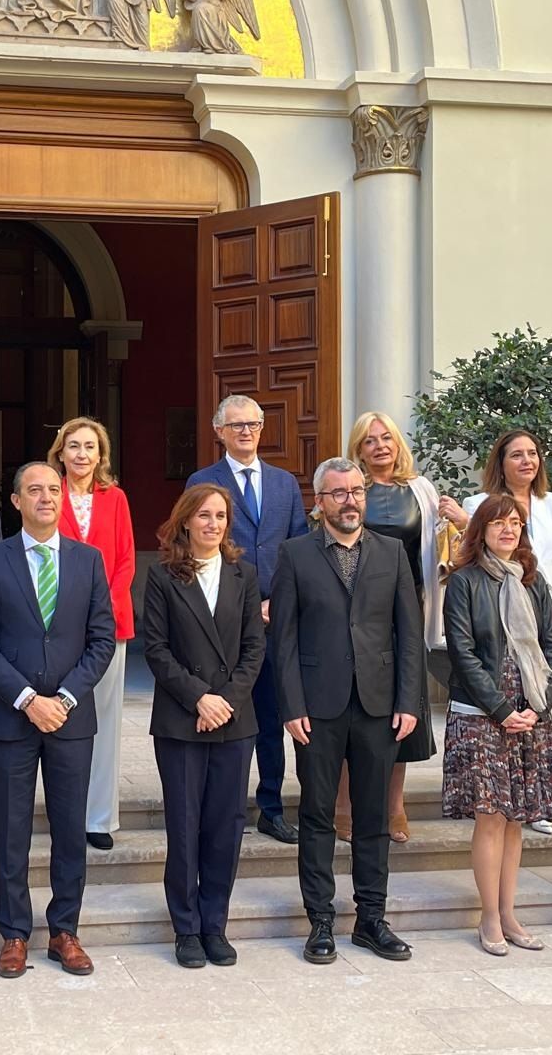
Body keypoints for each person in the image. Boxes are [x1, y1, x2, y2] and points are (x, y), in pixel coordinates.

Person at [270, 457, 424, 966]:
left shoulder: (393, 552)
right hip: (317, 706)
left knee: (374, 817)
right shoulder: (294, 554)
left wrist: (408, 701)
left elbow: (408, 634)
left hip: (380, 705)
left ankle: (371, 921)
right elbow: (284, 639)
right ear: (320, 502)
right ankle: (319, 923)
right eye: (338, 493)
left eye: (356, 491)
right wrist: (291, 705)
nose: (350, 500)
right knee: (316, 815)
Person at [0, 461, 115, 979]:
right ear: (16, 501)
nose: (47, 497)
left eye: (54, 489)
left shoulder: (89, 560)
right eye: (35, 490)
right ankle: (13, 934)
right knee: (11, 830)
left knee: (70, 829)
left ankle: (64, 931)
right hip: (12, 719)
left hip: (71, 721)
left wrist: (67, 698)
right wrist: (29, 698)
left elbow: (102, 640)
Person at [139, 484, 264, 969]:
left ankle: (216, 924)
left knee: (226, 825)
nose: (213, 524)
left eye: (221, 516)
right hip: (181, 720)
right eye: (205, 515)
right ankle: (186, 927)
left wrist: (225, 701)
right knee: (185, 824)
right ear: (186, 521)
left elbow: (255, 647)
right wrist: (199, 697)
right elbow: (156, 649)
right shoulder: (163, 576)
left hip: (234, 720)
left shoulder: (243, 574)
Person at [442, 494, 552, 956]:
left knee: (517, 819)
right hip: (482, 716)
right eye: (498, 523)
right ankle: (488, 915)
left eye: (515, 522)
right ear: (481, 530)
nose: (508, 530)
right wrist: (500, 709)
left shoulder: (534, 582)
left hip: (529, 714)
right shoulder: (465, 582)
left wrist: (538, 705)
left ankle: (510, 911)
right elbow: (463, 652)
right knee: (492, 816)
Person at [441, 428, 552, 832]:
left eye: (533, 453)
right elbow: (463, 649)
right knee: (494, 798)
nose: (526, 461)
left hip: (543, 608)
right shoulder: (476, 512)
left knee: (536, 717)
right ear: (500, 462)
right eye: (516, 454)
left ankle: (531, 804)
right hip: (495, 640)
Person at [186, 394, 308, 844]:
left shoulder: (284, 483)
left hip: (276, 618)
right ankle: (220, 805)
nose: (245, 432)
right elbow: (197, 543)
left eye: (253, 425)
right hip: (223, 617)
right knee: (223, 708)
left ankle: (271, 806)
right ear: (219, 431)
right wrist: (246, 601)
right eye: (235, 425)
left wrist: (279, 599)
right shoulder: (203, 481)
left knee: (272, 714)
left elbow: (298, 546)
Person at [339, 410, 444, 845]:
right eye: (370, 440)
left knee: (401, 708)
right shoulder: (348, 487)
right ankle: (344, 805)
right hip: (355, 613)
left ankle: (393, 805)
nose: (380, 446)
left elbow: (439, 548)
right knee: (351, 706)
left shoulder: (421, 491)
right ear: (358, 449)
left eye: (387, 438)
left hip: (406, 612)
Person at [50, 417, 136, 851]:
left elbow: (125, 560)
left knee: (104, 722)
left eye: (90, 447)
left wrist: (99, 609)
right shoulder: (49, 495)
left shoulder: (115, 498)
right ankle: (64, 812)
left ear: (101, 455)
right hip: (58, 625)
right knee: (62, 720)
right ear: (60, 453)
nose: (82, 454)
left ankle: (99, 817)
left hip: (108, 625)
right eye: (74, 446)